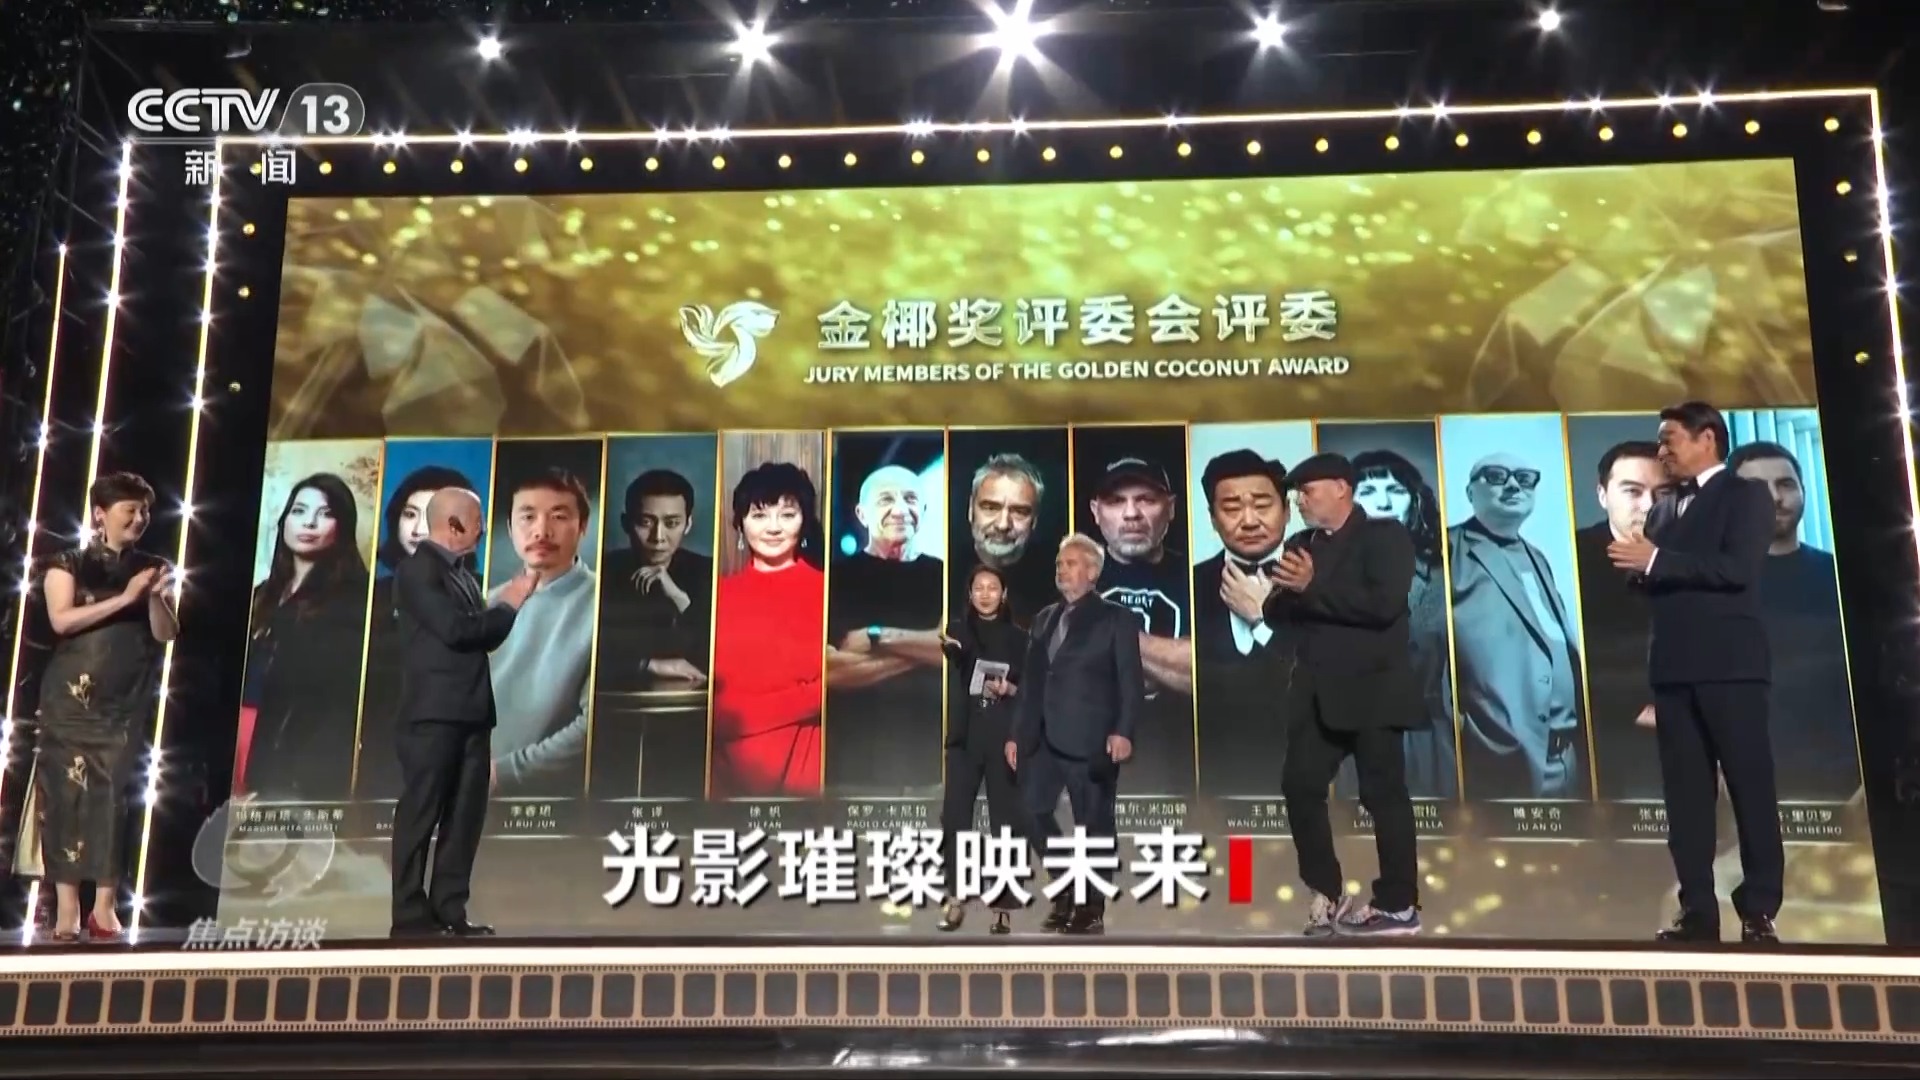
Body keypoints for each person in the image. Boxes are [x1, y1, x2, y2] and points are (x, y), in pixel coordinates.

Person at [1607, 401, 1783, 944]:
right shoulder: (1663, 509)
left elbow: (1737, 570)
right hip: (1673, 670)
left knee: (1750, 789)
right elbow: (1655, 579)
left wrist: (1655, 562)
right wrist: (1639, 570)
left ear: (1707, 438)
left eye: (1670, 439)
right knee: (1685, 798)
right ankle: (1698, 911)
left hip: (1731, 666)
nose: (1662, 450)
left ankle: (1759, 910)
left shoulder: (1746, 495)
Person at [1264, 453, 1423, 937]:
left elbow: (1383, 605)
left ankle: (1398, 905)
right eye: (1297, 495)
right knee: (1300, 786)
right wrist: (1288, 595)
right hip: (1315, 695)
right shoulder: (1301, 544)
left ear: (1340, 488)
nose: (1301, 501)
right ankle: (1326, 891)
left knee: (1383, 795)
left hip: (1374, 692)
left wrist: (1312, 589)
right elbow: (1275, 612)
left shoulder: (1384, 536)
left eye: (1308, 492)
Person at [32, 472, 178, 943]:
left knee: (114, 794)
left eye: (145, 510)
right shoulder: (66, 562)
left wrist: (155, 599)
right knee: (67, 796)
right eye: (129, 509)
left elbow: (166, 633)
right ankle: (67, 909)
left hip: (125, 699)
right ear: (101, 514)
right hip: (71, 699)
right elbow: (61, 620)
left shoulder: (153, 567)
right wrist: (126, 598)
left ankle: (105, 907)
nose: (139, 518)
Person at [390, 488, 537, 938]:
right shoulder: (417, 570)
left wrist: (505, 606)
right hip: (432, 716)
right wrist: (511, 600)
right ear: (454, 524)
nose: (484, 528)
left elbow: (481, 637)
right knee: (422, 812)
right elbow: (457, 631)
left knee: (464, 817)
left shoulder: (464, 575)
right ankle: (410, 916)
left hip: (472, 714)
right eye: (478, 520)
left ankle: (449, 910)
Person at [1008, 533, 1142, 936]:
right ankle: (1066, 887)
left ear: (1092, 572)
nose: (1061, 571)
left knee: (1094, 825)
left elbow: (1130, 680)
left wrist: (1123, 731)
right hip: (1042, 738)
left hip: (1092, 740)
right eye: (1059, 564)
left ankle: (1090, 908)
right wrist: (1016, 734)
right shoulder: (1044, 618)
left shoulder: (1115, 618)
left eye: (1070, 564)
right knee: (1031, 811)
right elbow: (1031, 682)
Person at [708, 462, 828, 798]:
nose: (773, 528)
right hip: (723, 779)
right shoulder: (717, 596)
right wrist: (807, 697)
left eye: (787, 515)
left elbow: (837, 687)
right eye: (759, 515)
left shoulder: (828, 591)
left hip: (808, 772)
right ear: (740, 523)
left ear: (804, 521)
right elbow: (711, 708)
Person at [935, 564, 1030, 934]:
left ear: (1003, 594)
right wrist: (954, 647)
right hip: (965, 737)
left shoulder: (1020, 638)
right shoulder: (958, 631)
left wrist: (1010, 689)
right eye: (979, 588)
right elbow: (959, 654)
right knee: (955, 817)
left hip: (1003, 737)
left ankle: (1003, 906)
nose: (986, 594)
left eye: (993, 587)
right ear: (970, 594)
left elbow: (1030, 690)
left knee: (1006, 821)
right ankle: (957, 896)